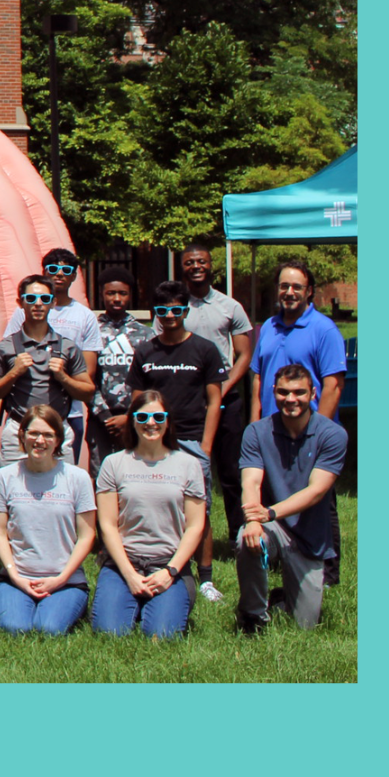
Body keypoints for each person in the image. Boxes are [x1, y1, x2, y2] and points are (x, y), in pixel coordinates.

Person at [125, 280, 226, 586]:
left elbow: (214, 400)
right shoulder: (145, 351)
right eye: (163, 310)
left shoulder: (205, 350)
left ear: (186, 311)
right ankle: (154, 564)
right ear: (155, 313)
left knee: (200, 510)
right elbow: (137, 401)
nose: (170, 315)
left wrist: (206, 446)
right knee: (154, 504)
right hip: (153, 441)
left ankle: (205, 579)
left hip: (193, 440)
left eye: (177, 309)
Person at [236, 364, 347, 634]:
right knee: (247, 539)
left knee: (305, 626)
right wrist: (253, 520)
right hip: (273, 527)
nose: (291, 399)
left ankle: (279, 598)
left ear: (313, 393)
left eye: (299, 392)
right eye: (283, 392)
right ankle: (252, 617)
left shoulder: (332, 435)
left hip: (310, 536)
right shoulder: (256, 432)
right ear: (273, 392)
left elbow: (316, 491)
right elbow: (251, 481)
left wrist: (270, 512)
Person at [0, 275, 94, 536]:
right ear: (21, 303)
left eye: (44, 298)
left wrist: (63, 377)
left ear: (53, 302)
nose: (38, 304)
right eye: (31, 298)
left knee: (62, 493)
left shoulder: (68, 347)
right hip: (18, 429)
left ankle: (61, 545)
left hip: (58, 431)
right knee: (15, 493)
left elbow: (88, 392)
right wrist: (14, 373)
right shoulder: (7, 347)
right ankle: (14, 548)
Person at [91, 390, 205, 639]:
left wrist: (170, 572)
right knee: (109, 633)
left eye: (158, 416)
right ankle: (133, 599)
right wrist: (130, 575)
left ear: (168, 420)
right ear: (132, 421)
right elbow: (107, 525)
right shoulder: (114, 463)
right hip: (124, 563)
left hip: (168, 564)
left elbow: (195, 527)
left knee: (161, 635)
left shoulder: (189, 465)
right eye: (142, 417)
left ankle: (169, 598)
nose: (150, 423)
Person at [0, 405, 96, 636]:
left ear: (58, 440)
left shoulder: (78, 478)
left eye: (47, 435)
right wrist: (14, 575)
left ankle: (70, 602)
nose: (39, 440)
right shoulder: (4, 477)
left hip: (65, 580)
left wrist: (60, 579)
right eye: (33, 433)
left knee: (50, 629)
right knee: (16, 628)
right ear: (22, 435)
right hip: (17, 578)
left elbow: (87, 536)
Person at [180, 239, 255, 569]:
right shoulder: (175, 306)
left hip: (226, 398)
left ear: (211, 266)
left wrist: (222, 390)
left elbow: (244, 355)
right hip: (187, 400)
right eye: (189, 263)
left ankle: (241, 540)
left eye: (202, 262)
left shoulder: (230, 306)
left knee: (230, 474)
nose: (196, 267)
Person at [249, 259, 347, 422]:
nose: (289, 292)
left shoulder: (324, 330)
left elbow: (334, 386)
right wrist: (254, 427)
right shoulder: (269, 326)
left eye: (297, 287)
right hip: (270, 432)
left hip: (307, 431)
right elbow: (258, 378)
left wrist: (317, 435)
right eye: (284, 286)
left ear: (308, 291)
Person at [41, 247, 103, 463]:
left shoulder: (84, 316)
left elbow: (88, 371)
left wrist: (62, 377)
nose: (59, 274)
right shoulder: (28, 308)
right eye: (53, 269)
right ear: (44, 272)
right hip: (32, 408)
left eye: (66, 270)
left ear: (74, 276)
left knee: (65, 473)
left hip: (71, 412)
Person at [89, 269, 153, 475]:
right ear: (102, 294)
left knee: (136, 472)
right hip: (101, 418)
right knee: (101, 474)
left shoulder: (145, 334)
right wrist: (106, 416)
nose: (117, 299)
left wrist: (130, 416)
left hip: (136, 417)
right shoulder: (91, 331)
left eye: (122, 293)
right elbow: (87, 378)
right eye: (111, 293)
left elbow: (150, 379)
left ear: (130, 295)